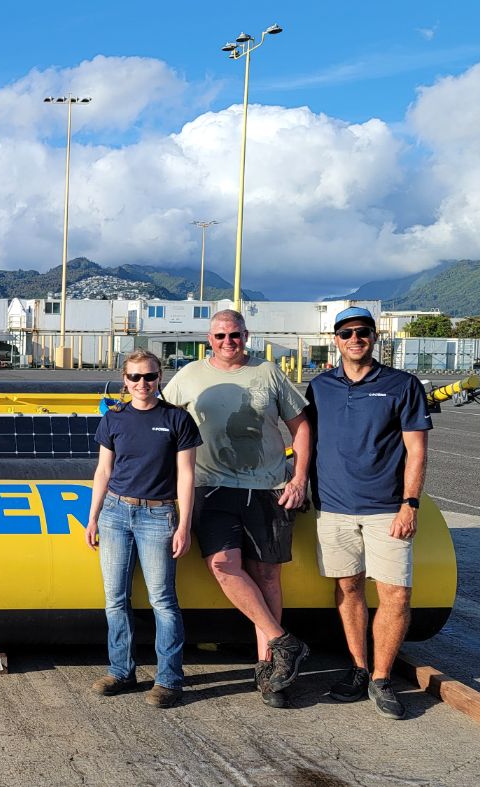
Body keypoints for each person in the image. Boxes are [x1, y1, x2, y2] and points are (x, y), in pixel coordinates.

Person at [161, 310, 311, 708]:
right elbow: (160, 421)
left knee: (267, 576)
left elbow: (302, 426)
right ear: (208, 339)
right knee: (223, 564)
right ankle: (284, 643)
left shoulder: (269, 373)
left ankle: (272, 672)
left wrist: (299, 479)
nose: (229, 341)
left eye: (235, 334)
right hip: (211, 489)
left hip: (268, 489)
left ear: (247, 335)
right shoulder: (189, 376)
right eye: (221, 335)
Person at [306, 306, 431, 720]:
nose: (355, 339)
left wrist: (409, 504)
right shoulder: (319, 386)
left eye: (362, 332)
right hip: (334, 509)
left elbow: (417, 450)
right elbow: (304, 440)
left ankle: (382, 677)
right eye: (346, 333)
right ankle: (358, 668)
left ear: (374, 337)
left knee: (396, 593)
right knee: (348, 589)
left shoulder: (402, 384)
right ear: (336, 340)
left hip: (386, 510)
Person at [85, 350, 201, 709]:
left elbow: (186, 475)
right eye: (135, 378)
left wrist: (184, 523)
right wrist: (93, 516)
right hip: (116, 514)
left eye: (149, 377)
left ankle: (169, 680)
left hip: (158, 516)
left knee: (163, 602)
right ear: (125, 381)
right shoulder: (114, 419)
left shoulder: (177, 420)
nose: (142, 384)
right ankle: (121, 671)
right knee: (115, 599)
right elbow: (103, 471)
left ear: (160, 378)